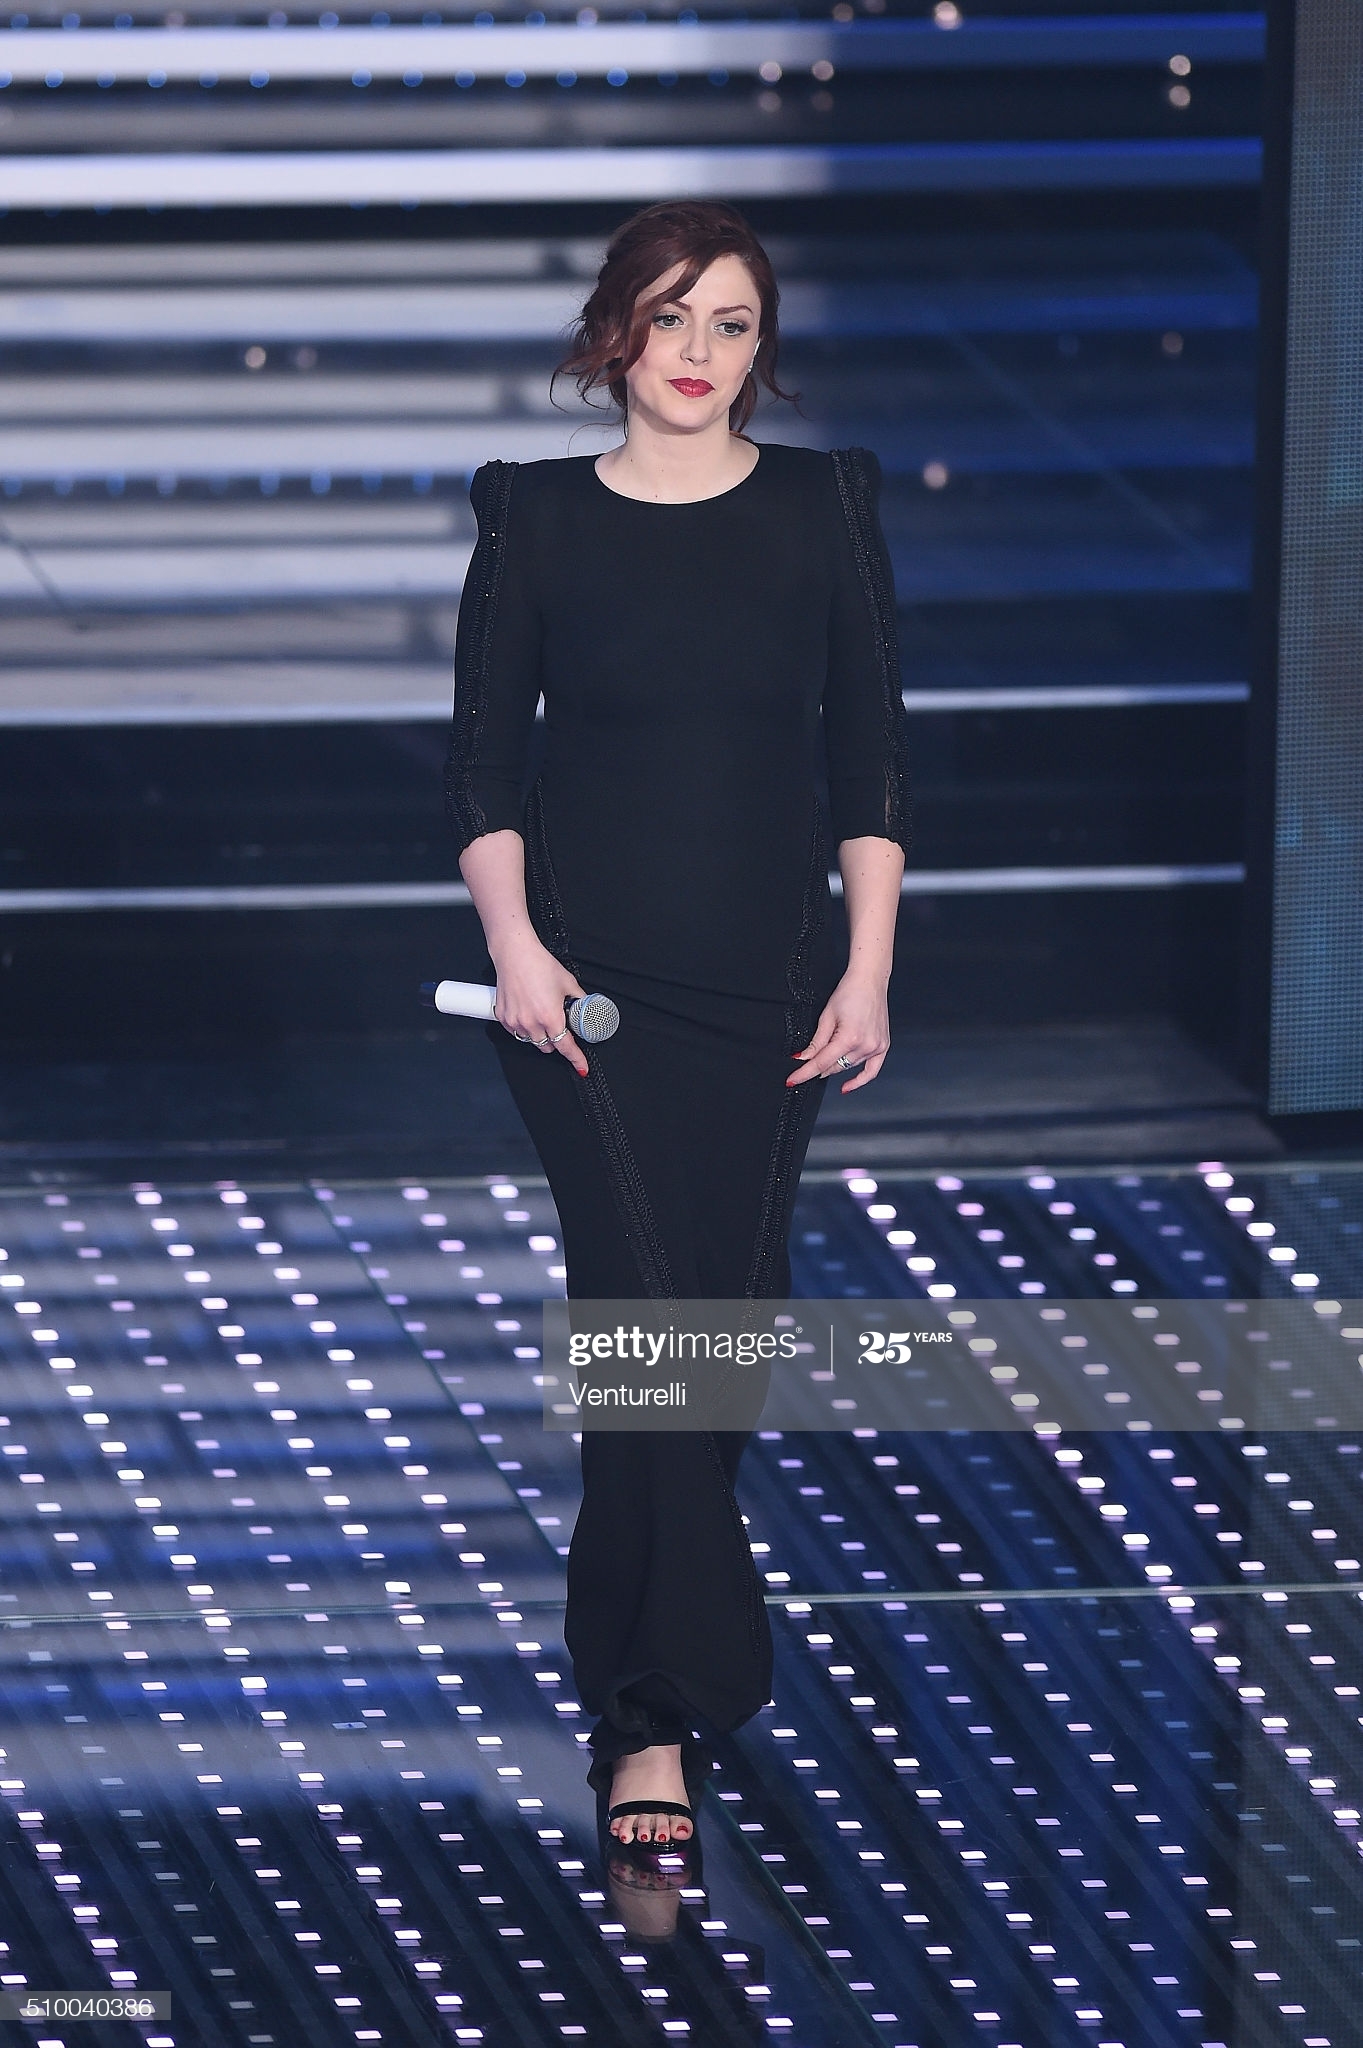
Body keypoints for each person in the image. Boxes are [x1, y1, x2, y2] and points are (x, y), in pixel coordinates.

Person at [443, 199, 911, 1854]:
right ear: (614, 335)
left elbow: (868, 763)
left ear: (761, 346)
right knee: (643, 1319)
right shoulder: (537, 516)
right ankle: (658, 1713)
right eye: (670, 316)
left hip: (773, 985)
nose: (700, 351)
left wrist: (869, 968)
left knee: (713, 1337)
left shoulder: (824, 506)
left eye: (732, 322)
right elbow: (484, 769)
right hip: (586, 997)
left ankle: (645, 1673)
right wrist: (516, 951)